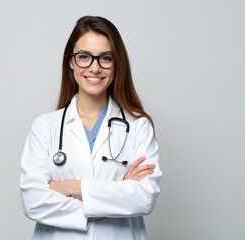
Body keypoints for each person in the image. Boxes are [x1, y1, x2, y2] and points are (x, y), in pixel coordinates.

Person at [20, 15, 162, 240]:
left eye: (106, 58)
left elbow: (144, 198)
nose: (95, 68)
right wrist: (117, 193)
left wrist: (70, 187)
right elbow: (33, 202)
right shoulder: (45, 126)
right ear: (71, 61)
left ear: (117, 64)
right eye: (84, 57)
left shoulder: (138, 126)